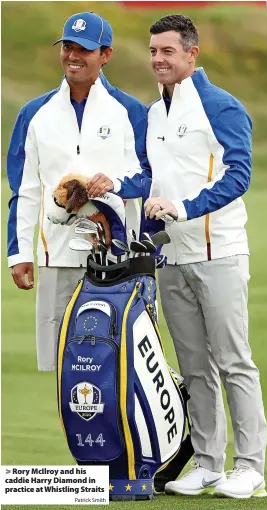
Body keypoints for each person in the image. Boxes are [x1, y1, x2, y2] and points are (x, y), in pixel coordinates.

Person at [87, 14, 267, 500]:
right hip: (173, 257)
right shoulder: (155, 113)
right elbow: (151, 179)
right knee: (193, 366)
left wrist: (184, 208)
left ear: (192, 54)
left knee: (233, 361)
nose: (158, 60)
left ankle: (250, 466)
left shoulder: (221, 106)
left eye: (168, 51)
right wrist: (114, 188)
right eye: (152, 51)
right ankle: (209, 464)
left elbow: (239, 176)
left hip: (220, 251)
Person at [7, 11, 150, 372]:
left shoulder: (130, 111)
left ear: (105, 55)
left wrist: (114, 185)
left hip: (116, 258)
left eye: (84, 49)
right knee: (62, 366)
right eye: (67, 46)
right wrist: (20, 253)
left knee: (116, 365)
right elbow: (24, 190)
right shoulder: (34, 114)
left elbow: (149, 176)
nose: (73, 56)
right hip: (56, 256)